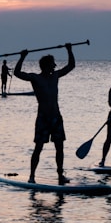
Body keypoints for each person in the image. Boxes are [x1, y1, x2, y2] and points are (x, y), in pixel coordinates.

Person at [14, 43, 75, 184]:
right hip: (43, 118)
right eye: (52, 64)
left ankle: (60, 175)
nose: (54, 66)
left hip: (56, 117)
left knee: (59, 147)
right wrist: (22, 57)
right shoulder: (36, 78)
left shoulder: (56, 76)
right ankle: (32, 176)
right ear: (46, 65)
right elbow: (17, 73)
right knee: (38, 147)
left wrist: (69, 50)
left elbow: (71, 66)